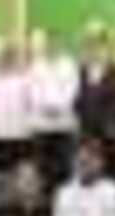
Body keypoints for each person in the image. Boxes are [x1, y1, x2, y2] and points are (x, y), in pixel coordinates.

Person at [27, 29, 79, 187]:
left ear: (60, 44)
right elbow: (33, 92)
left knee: (64, 169)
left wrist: (58, 107)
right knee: (42, 170)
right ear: (44, 45)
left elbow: (72, 90)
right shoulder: (36, 66)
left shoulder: (69, 65)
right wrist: (47, 107)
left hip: (64, 125)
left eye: (55, 43)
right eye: (48, 43)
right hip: (41, 125)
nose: (52, 46)